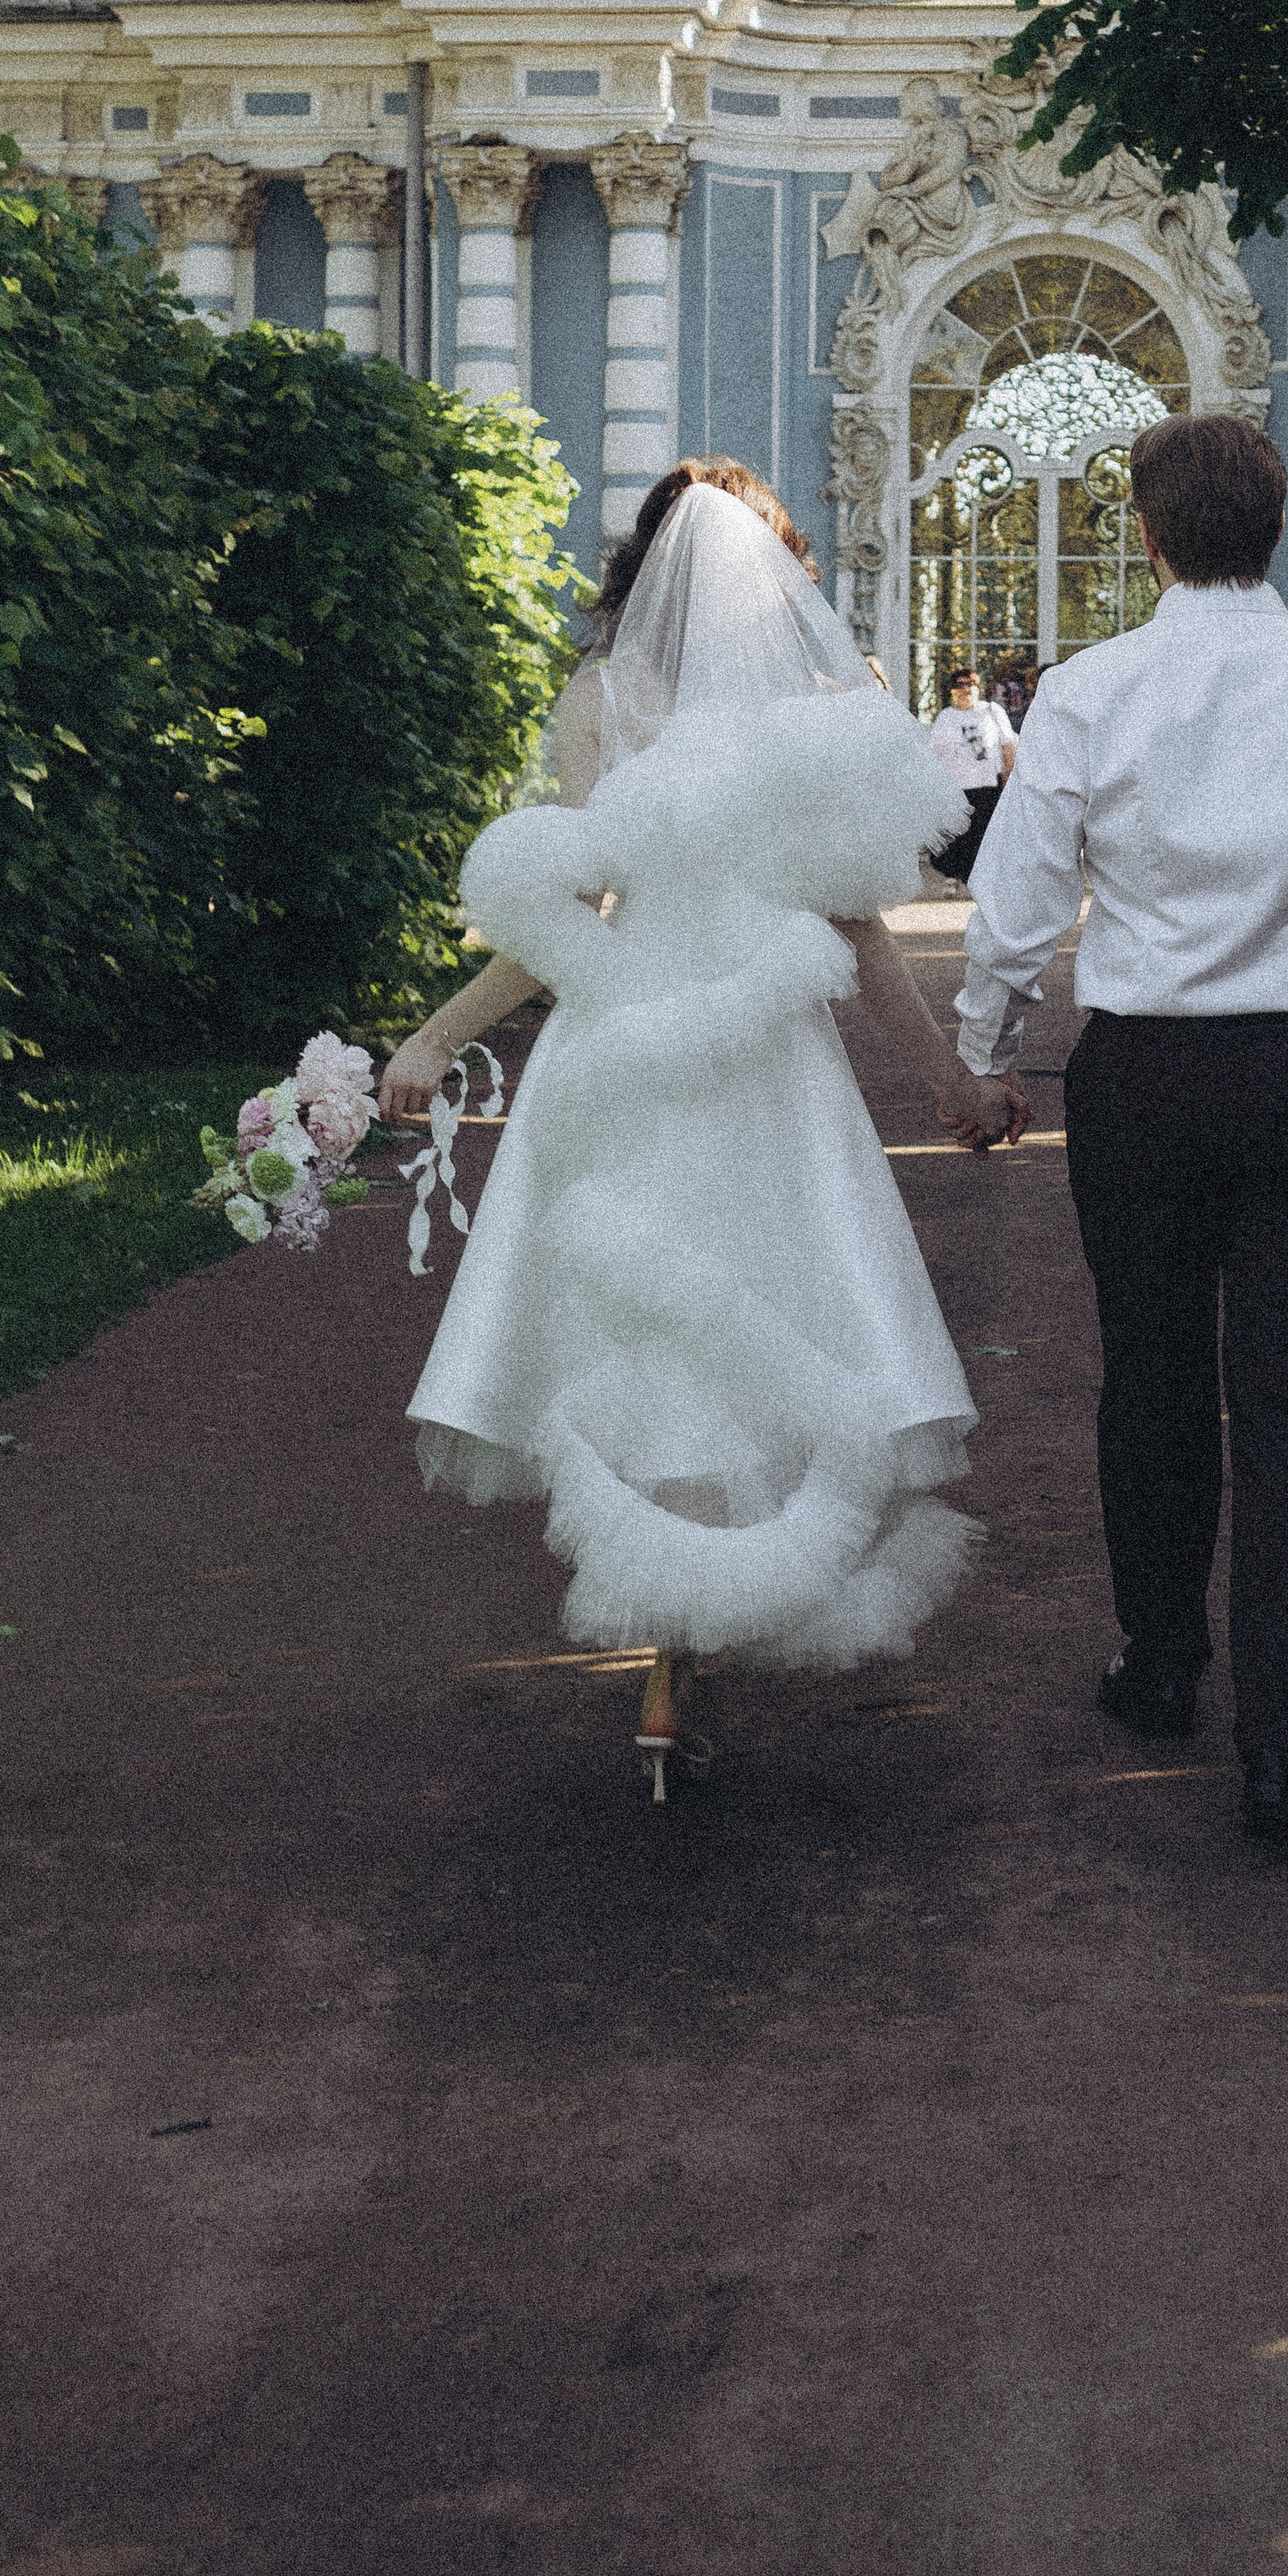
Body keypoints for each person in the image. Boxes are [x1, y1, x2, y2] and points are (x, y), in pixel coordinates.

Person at [384, 461, 1028, 1798]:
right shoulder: (820, 711)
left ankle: (672, 1657)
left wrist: (443, 1034)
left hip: (622, 1055)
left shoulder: (604, 701)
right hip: (767, 1065)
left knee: (656, 1331)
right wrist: (952, 1090)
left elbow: (571, 906)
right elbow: (859, 930)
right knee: (778, 1312)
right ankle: (710, 1620)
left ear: (641, 568)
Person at [954, 413, 1288, 1847]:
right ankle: (1282, 1752)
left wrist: (985, 1064)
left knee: (1155, 1380)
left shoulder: (1091, 694)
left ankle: (1164, 1666)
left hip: (1144, 1086)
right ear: (1276, 528)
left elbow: (1021, 906)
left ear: (1150, 534)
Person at [926, 665, 1016, 887]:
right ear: (952, 691)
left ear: (979, 688)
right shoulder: (946, 717)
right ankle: (956, 877)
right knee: (957, 836)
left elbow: (1008, 746)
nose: (965, 690)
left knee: (984, 835)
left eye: (970, 684)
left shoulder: (991, 712)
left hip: (988, 784)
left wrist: (1008, 777)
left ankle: (981, 880)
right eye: (959, 685)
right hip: (958, 787)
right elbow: (935, 753)